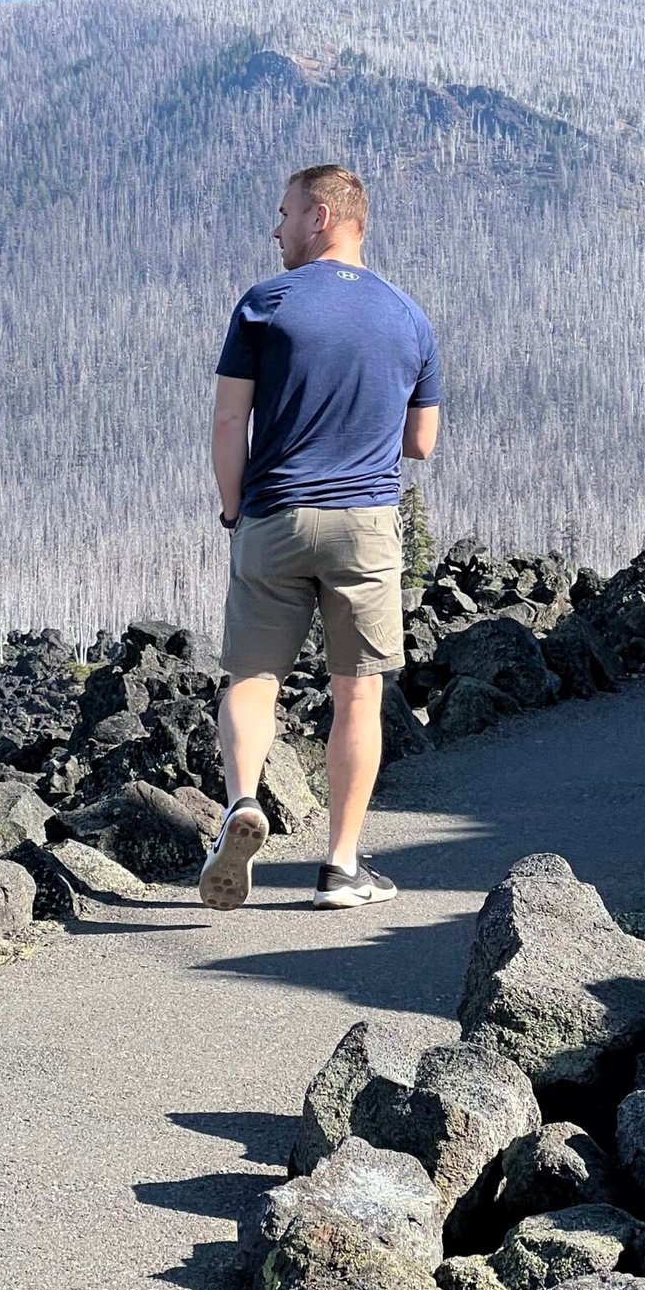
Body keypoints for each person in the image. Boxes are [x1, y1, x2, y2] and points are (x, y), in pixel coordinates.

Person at [200, 163, 441, 910]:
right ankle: (340, 866)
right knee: (358, 693)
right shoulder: (409, 318)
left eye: (283, 213)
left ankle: (243, 800)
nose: (275, 228)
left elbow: (226, 421)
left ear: (321, 218)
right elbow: (422, 442)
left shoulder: (264, 305)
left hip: (273, 514)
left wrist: (235, 509)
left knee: (252, 678)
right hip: (364, 524)